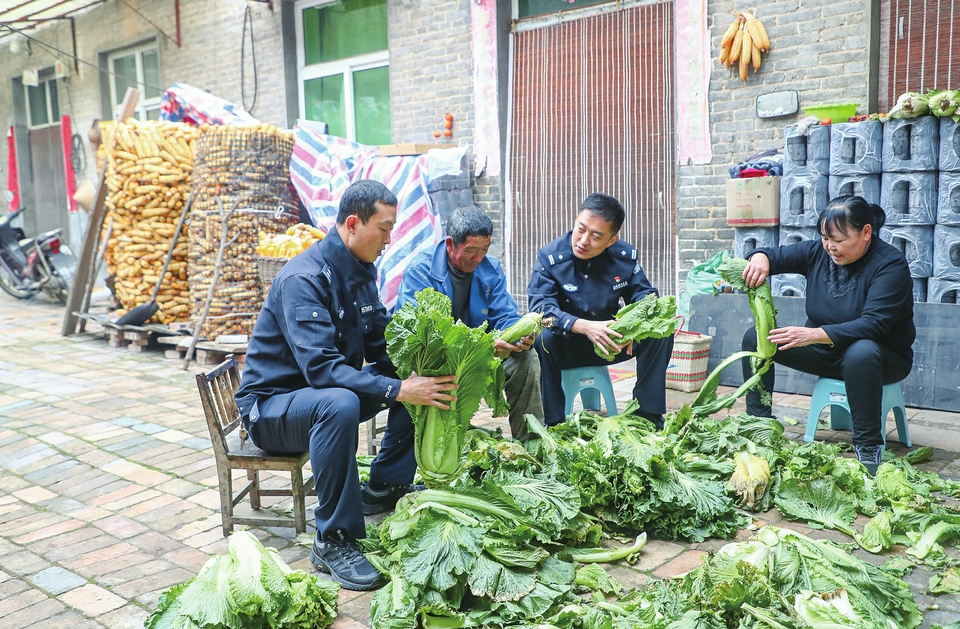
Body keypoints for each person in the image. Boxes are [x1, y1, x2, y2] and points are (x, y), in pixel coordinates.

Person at [235, 180, 457, 591]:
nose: (389, 239)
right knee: (340, 402)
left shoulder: (360, 275)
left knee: (410, 381)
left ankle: (386, 484)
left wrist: (432, 367)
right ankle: (333, 539)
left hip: (320, 399)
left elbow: (384, 346)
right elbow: (321, 370)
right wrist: (397, 390)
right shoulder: (303, 279)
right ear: (353, 223)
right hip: (271, 410)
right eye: (385, 228)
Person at [740, 195, 914, 476]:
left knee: (862, 350)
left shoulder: (890, 265)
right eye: (824, 237)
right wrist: (759, 259)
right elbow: (772, 255)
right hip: (826, 350)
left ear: (866, 233)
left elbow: (874, 325)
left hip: (880, 357)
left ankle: (868, 445)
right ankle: (758, 422)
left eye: (838, 240)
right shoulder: (818, 253)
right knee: (755, 337)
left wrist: (815, 334)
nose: (830, 247)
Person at [395, 205, 544, 441]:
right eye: (471, 250)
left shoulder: (490, 268)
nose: (479, 258)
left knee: (526, 358)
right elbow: (420, 336)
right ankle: (443, 444)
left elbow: (505, 314)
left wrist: (516, 335)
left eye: (485, 249)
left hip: (479, 354)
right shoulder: (420, 271)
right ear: (450, 244)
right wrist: (482, 347)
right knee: (428, 368)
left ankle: (531, 444)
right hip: (436, 358)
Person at [527, 192, 674, 428]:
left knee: (661, 331)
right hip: (568, 344)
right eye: (581, 229)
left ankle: (647, 416)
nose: (584, 240)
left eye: (596, 236)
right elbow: (541, 308)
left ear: (611, 240)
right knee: (543, 338)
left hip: (612, 342)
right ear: (575, 221)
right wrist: (584, 327)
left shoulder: (623, 258)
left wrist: (634, 328)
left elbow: (645, 297)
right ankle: (554, 422)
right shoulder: (550, 258)